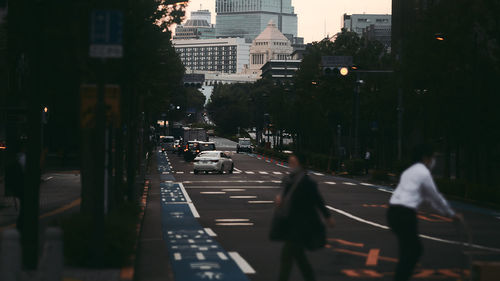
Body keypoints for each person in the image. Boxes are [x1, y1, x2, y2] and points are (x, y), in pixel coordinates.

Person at [387, 144, 462, 281]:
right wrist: (451, 214)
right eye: (432, 157)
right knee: (414, 250)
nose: (433, 160)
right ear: (425, 158)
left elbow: (428, 197)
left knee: (409, 250)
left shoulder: (409, 171)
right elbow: (435, 197)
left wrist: (447, 212)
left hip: (392, 212)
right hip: (405, 213)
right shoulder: (423, 172)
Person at [275, 153, 335, 281]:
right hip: (290, 223)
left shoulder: (307, 182)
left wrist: (327, 216)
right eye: (290, 163)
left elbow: (318, 200)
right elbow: (284, 196)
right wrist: (280, 199)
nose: (291, 166)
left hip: (302, 224)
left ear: (301, 165)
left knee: (287, 256)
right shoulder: (288, 179)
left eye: (294, 163)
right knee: (299, 257)